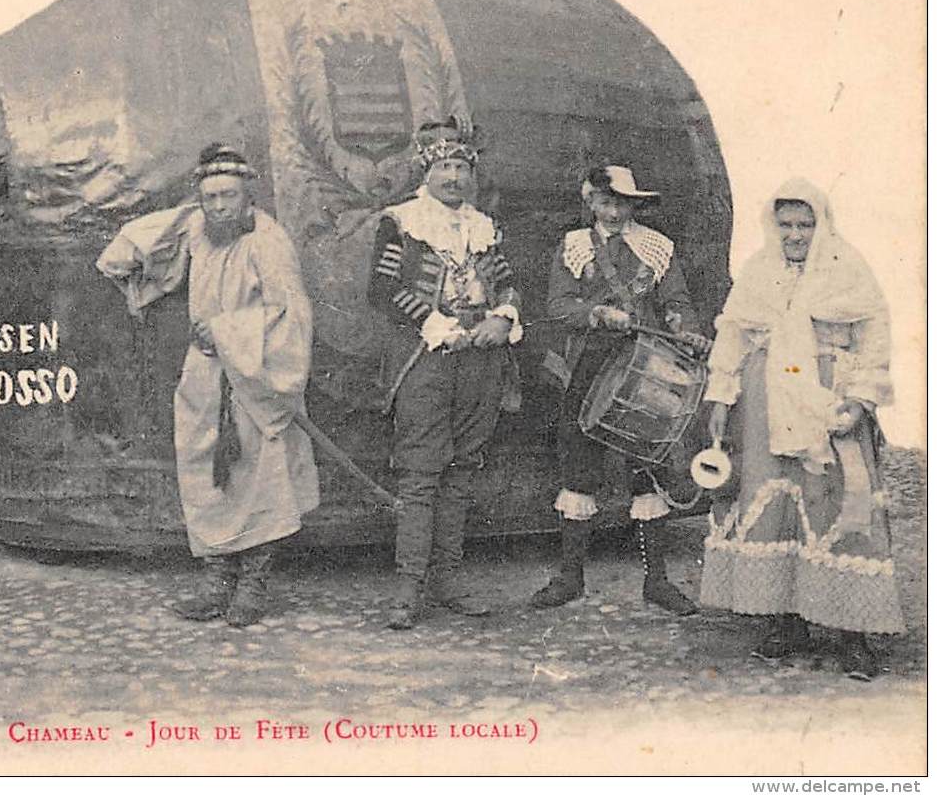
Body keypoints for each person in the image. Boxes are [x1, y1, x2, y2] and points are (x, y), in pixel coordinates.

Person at [98, 144, 320, 628]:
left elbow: (290, 313)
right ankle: (216, 583)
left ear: (248, 197)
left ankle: (253, 586)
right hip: (204, 373)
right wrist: (128, 264)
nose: (219, 206)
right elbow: (141, 241)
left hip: (254, 376)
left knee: (259, 479)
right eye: (211, 196)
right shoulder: (198, 228)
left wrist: (225, 329)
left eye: (229, 196)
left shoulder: (268, 242)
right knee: (204, 472)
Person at [698, 179, 902, 681]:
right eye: (786, 224)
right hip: (765, 399)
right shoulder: (759, 270)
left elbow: (873, 338)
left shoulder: (846, 268)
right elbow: (733, 334)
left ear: (822, 225)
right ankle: (789, 622)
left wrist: (859, 400)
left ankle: (854, 635)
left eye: (804, 225)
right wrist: (721, 398)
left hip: (827, 398)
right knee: (779, 505)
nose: (794, 235)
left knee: (836, 503)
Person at [530, 165, 712, 614]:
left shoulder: (656, 247)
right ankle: (570, 577)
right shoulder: (574, 246)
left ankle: (657, 581)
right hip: (589, 366)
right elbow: (557, 305)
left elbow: (677, 303)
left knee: (646, 468)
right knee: (579, 465)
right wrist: (595, 313)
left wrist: (686, 328)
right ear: (590, 201)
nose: (613, 211)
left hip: (645, 365)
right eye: (605, 202)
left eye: (622, 203)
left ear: (635, 205)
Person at [366, 128, 521, 629]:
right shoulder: (402, 222)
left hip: (481, 360)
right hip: (425, 359)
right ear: (426, 173)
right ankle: (409, 587)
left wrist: (503, 316)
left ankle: (448, 578)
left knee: (461, 471)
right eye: (443, 169)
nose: (454, 178)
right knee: (422, 475)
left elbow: (507, 282)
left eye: (462, 169)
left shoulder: (484, 226)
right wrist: (436, 326)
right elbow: (383, 290)